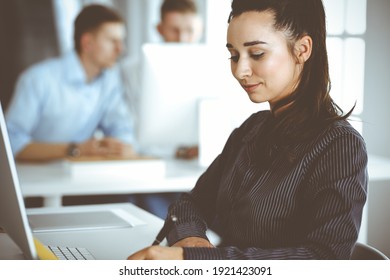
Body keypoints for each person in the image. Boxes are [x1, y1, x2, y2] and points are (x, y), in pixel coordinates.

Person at [127, 0, 368, 260]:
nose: (240, 71)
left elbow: (323, 259)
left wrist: (198, 260)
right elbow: (190, 204)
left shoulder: (340, 145)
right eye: (234, 55)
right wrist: (191, 240)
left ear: (302, 49)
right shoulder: (251, 130)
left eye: (256, 54)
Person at [5, 4, 136, 162]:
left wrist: (124, 146)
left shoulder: (109, 81)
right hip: (34, 179)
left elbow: (121, 129)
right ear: (87, 43)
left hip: (79, 177)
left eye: (121, 41)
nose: (120, 49)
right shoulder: (38, 79)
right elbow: (10, 142)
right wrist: (74, 149)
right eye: (112, 41)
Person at [122, 0, 204, 219]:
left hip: (196, 168)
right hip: (150, 168)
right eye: (175, 30)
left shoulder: (209, 67)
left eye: (189, 31)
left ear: (200, 29)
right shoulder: (132, 71)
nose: (183, 39)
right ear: (159, 29)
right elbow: (129, 129)